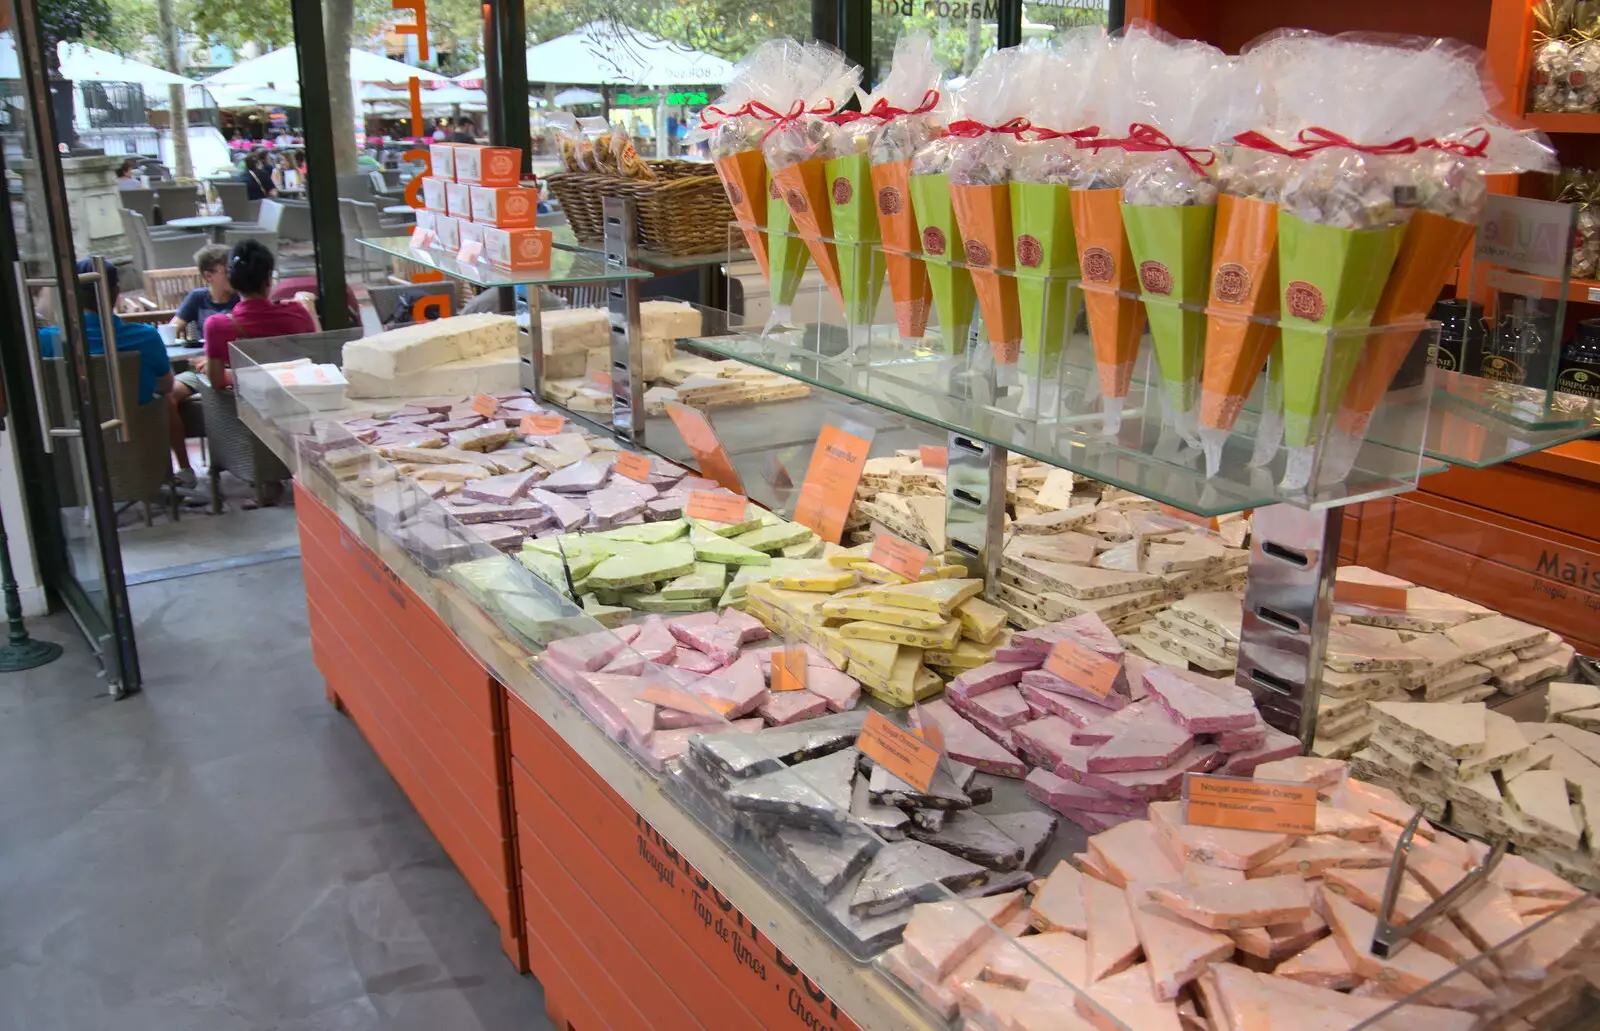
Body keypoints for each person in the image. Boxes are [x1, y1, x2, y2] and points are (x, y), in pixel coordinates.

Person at [38, 259, 177, 480]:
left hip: (76, 443)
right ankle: (174, 474)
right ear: (115, 293)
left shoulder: (46, 340)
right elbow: (167, 385)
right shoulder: (146, 337)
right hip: (135, 438)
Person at [200, 240, 315, 391]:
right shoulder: (296, 313)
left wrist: (246, 375)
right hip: (297, 402)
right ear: (268, 278)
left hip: (244, 409)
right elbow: (316, 363)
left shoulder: (216, 326)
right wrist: (310, 308)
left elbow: (216, 382)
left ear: (233, 280)